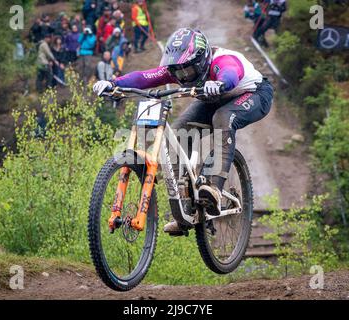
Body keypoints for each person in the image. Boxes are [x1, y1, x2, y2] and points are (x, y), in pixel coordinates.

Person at [93, 28, 274, 234]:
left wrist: (221, 83)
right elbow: (144, 77)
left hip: (254, 94)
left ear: (202, 61)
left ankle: (214, 187)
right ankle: (185, 209)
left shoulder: (223, 60)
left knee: (223, 118)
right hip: (213, 96)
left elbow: (231, 73)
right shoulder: (177, 68)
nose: (182, 76)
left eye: (187, 71)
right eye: (177, 72)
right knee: (178, 133)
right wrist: (113, 83)